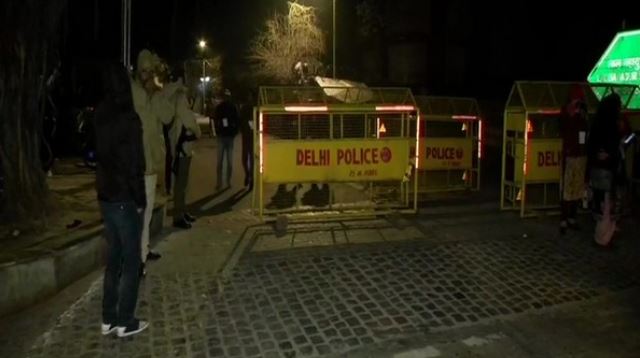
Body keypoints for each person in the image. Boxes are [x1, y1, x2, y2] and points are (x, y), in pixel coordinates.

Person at [95, 63, 148, 337]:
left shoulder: (100, 115)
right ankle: (125, 320)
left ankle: (108, 318)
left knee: (114, 259)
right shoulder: (129, 118)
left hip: (105, 197)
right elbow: (135, 164)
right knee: (130, 261)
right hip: (124, 198)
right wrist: (141, 199)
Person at [131, 49, 178, 273]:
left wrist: (158, 94)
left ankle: (144, 249)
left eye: (149, 70)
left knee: (148, 211)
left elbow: (168, 117)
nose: (146, 74)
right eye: (143, 70)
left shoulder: (156, 94)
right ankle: (137, 259)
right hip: (134, 162)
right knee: (138, 212)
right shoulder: (131, 92)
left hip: (151, 163)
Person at [587, 93, 626, 248]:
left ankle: (602, 236)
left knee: (601, 204)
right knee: (607, 206)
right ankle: (603, 239)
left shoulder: (597, 123)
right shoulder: (612, 126)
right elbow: (615, 147)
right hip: (609, 171)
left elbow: (591, 146)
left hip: (598, 170)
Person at [169, 75, 201, 229]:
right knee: (181, 184)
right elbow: (189, 120)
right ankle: (178, 216)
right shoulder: (180, 97)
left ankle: (182, 211)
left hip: (183, 146)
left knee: (183, 184)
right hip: (182, 147)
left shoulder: (177, 96)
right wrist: (198, 131)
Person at [559, 86, 589, 235]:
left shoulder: (582, 112)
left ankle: (572, 217)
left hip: (580, 154)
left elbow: (584, 129)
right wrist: (572, 114)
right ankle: (564, 218)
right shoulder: (566, 111)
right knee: (567, 188)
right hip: (570, 154)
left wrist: (580, 114)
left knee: (577, 188)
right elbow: (564, 128)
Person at [214, 89, 239, 190]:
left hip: (227, 137)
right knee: (223, 162)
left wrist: (233, 132)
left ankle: (225, 182)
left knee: (227, 162)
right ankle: (221, 182)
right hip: (224, 136)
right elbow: (216, 120)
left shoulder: (232, 107)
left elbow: (237, 121)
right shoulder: (221, 107)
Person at [239, 91, 255, 189]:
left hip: (251, 136)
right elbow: (241, 120)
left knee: (249, 158)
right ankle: (248, 174)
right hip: (247, 135)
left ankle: (250, 177)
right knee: (245, 158)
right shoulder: (244, 108)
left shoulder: (253, 108)